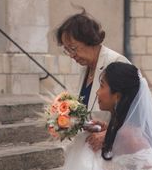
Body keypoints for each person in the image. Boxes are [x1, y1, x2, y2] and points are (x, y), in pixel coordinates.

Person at [55, 10, 129, 150]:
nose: (71, 55)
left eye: (73, 48)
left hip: (111, 150)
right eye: (67, 50)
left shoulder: (117, 63)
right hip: (89, 147)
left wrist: (110, 135)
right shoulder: (86, 68)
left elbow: (135, 114)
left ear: (89, 40)